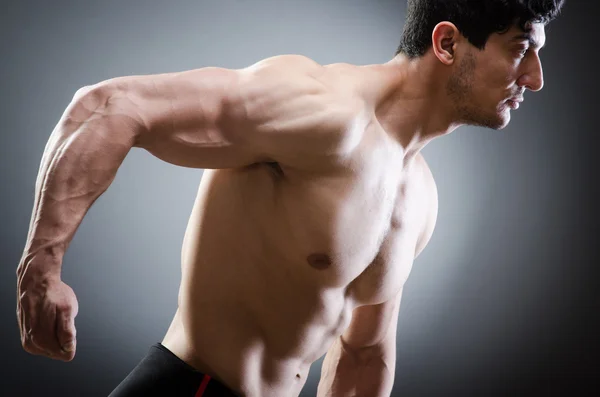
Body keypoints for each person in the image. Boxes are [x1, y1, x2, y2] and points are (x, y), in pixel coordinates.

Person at [16, 0, 564, 396]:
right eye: (520, 50)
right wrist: (42, 269)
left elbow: (361, 353)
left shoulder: (418, 194)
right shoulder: (324, 109)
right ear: (446, 43)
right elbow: (110, 106)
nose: (535, 78)